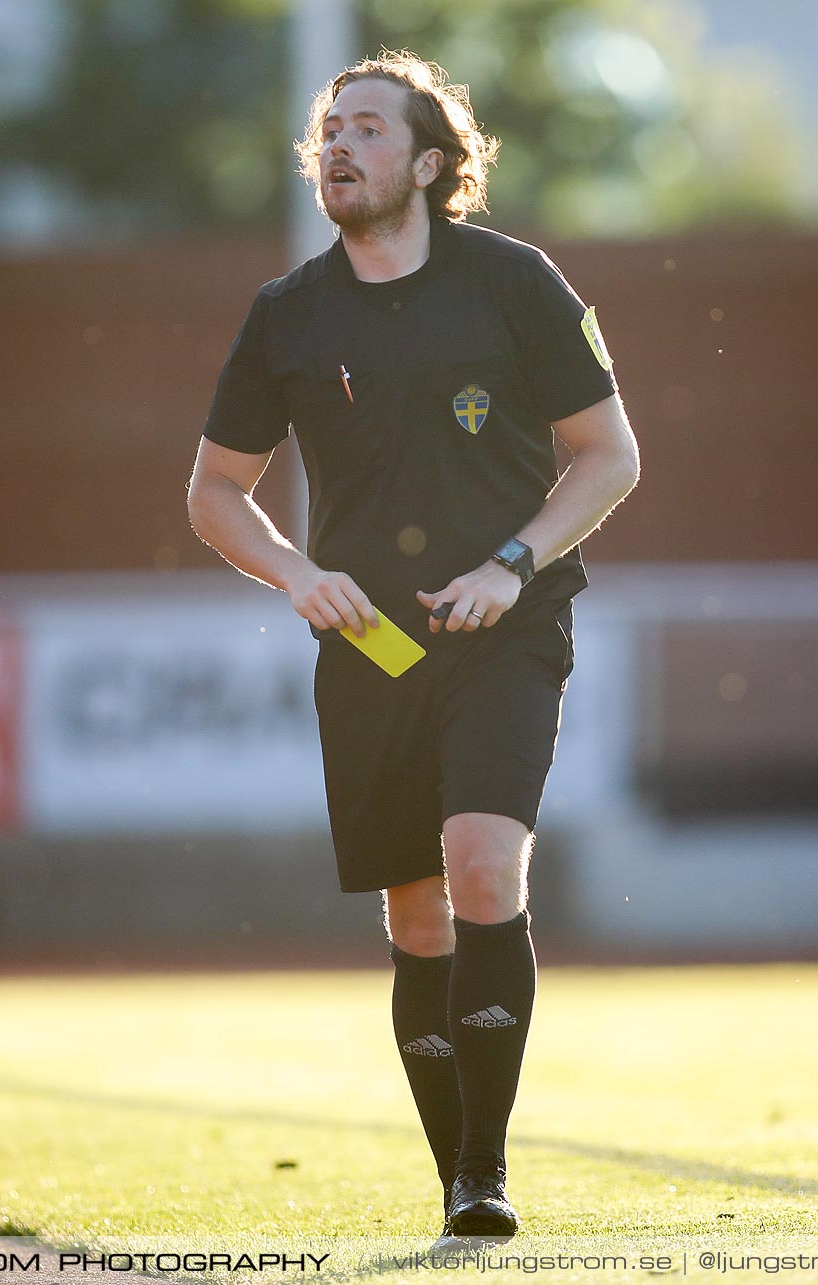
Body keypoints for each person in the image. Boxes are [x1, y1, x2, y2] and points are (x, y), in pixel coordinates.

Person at [185, 51, 640, 1239]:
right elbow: (216, 495)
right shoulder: (287, 313)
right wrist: (296, 572)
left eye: (368, 130)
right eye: (328, 130)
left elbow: (609, 456)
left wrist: (513, 564)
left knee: (486, 864)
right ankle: (454, 1179)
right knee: (416, 919)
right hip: (374, 650)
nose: (337, 147)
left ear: (430, 164)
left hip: (505, 629)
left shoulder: (515, 283)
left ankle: (487, 1174)